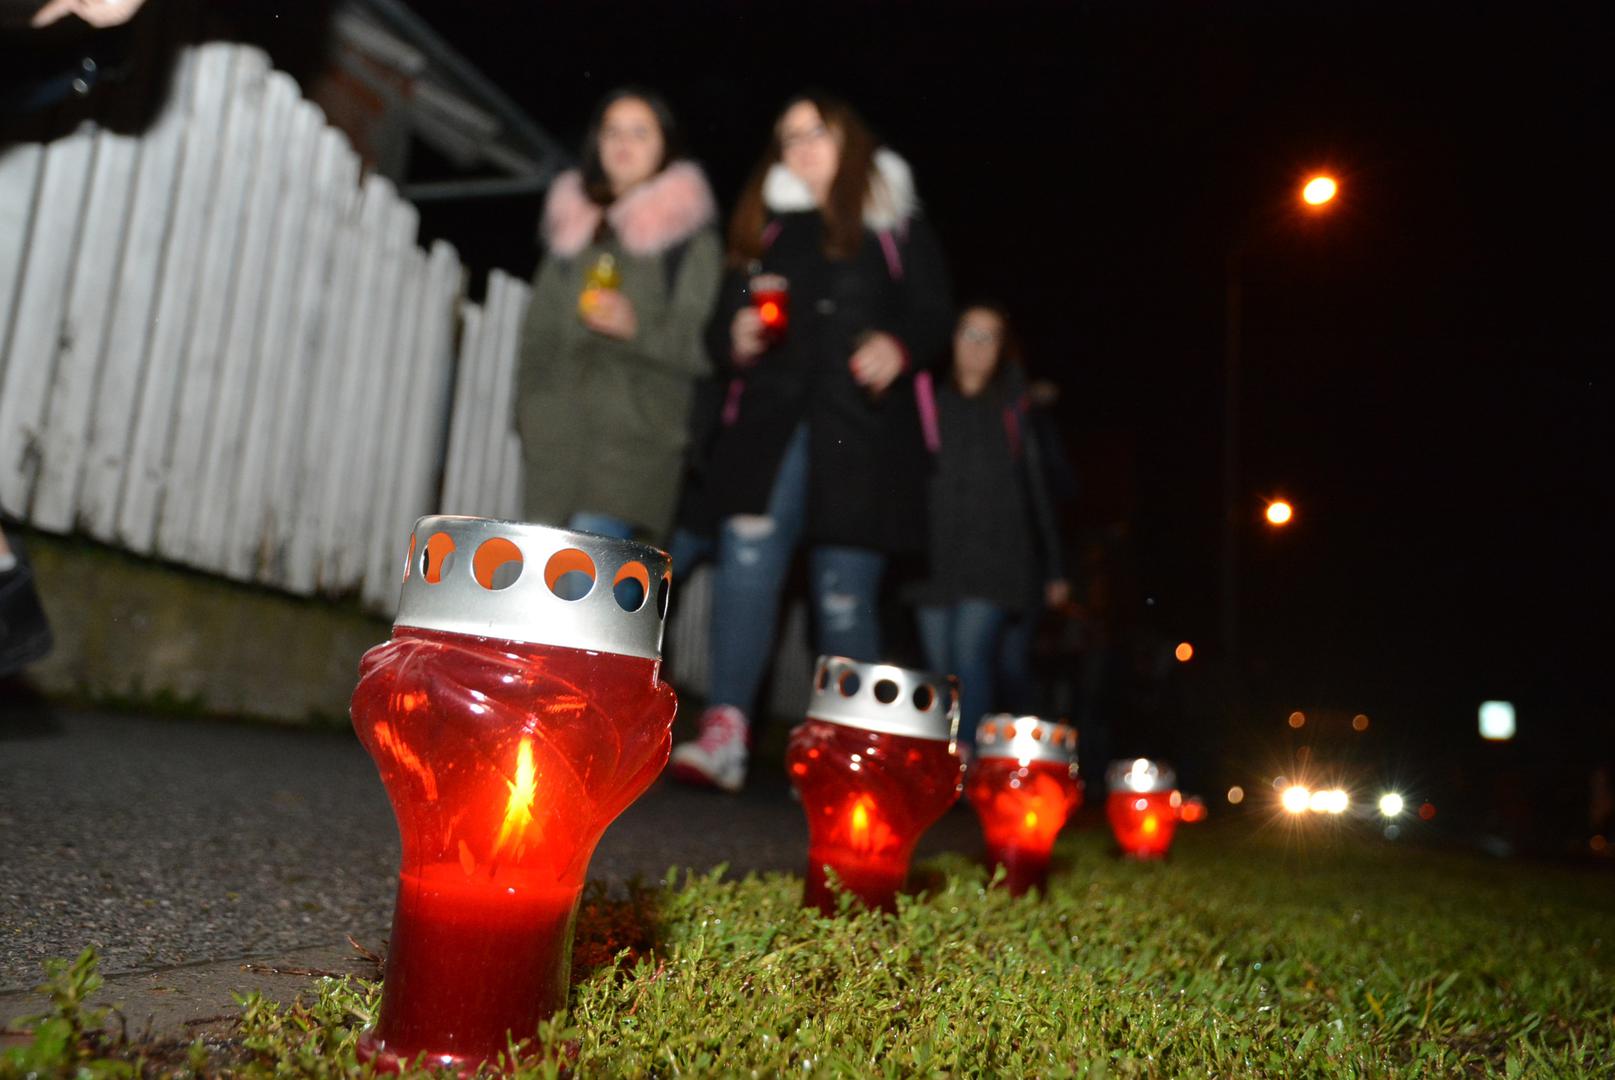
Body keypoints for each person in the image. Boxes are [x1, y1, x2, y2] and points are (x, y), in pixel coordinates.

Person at [669, 93, 952, 792]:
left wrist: (897, 345)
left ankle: (843, 755)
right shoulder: (768, 227)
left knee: (844, 591)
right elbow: (722, 323)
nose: (798, 146)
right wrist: (736, 334)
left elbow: (933, 314)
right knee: (746, 565)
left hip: (860, 438)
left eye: (813, 131)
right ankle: (726, 732)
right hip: (768, 431)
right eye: (786, 136)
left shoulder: (893, 222)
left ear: (848, 138)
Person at [515, 87, 722, 547]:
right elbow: (537, 340)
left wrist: (637, 330)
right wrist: (533, 416)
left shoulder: (689, 241)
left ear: (666, 146)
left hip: (636, 446)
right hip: (555, 448)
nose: (623, 143)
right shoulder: (571, 228)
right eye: (612, 131)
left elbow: (705, 346)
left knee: (588, 577)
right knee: (548, 583)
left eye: (640, 132)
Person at [906, 304, 1067, 746]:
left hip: (997, 558)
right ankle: (944, 757)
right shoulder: (924, 401)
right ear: (952, 339)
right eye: (969, 333)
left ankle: (968, 756)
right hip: (932, 559)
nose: (977, 346)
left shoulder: (1016, 408)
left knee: (969, 654)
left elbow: (1039, 488)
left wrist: (1055, 567)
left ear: (1002, 349)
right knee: (940, 668)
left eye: (989, 336)